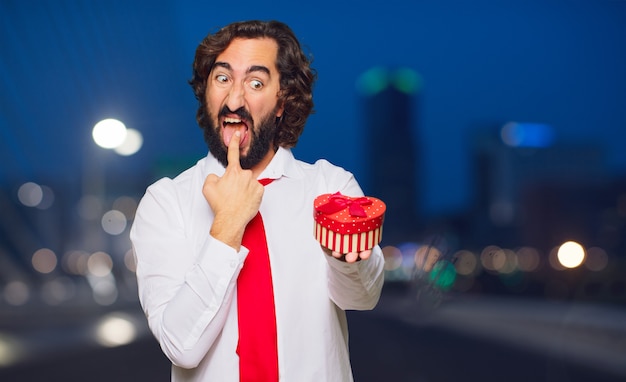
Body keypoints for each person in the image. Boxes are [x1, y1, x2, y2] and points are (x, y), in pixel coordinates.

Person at [130, 20, 385, 382]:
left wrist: (345, 254)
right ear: (206, 91)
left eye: (255, 83)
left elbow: (363, 296)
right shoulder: (165, 202)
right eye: (222, 79)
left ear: (283, 100)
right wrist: (227, 225)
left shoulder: (330, 188)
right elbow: (181, 346)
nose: (234, 100)